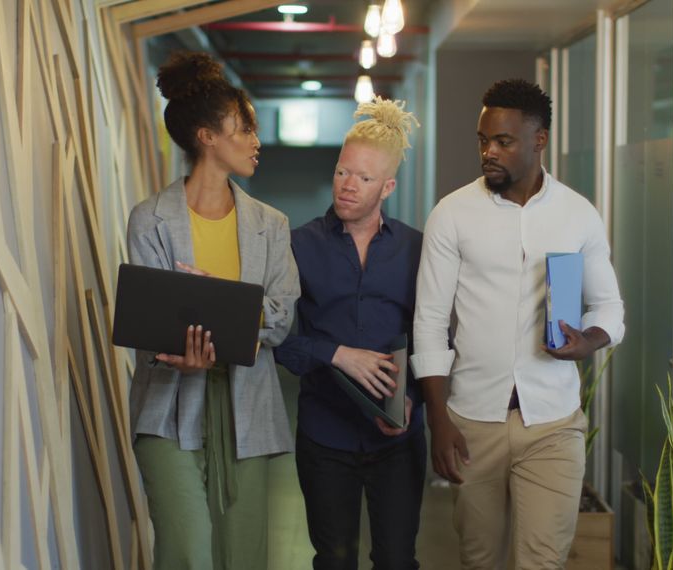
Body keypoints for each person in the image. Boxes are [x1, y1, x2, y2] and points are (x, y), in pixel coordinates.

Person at [410, 78, 625, 569]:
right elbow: (430, 322)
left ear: (538, 140)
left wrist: (586, 341)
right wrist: (438, 420)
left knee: (542, 561)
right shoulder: (452, 214)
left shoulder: (578, 214)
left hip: (552, 421)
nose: (489, 151)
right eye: (484, 140)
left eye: (503, 142)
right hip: (472, 421)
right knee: (479, 558)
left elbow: (610, 309)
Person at [124, 52, 299, 570]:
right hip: (167, 407)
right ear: (206, 136)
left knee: (242, 557)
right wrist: (238, 317)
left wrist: (215, 301)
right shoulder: (149, 220)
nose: (255, 140)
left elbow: (282, 315)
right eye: (243, 128)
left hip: (247, 405)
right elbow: (149, 321)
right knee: (189, 553)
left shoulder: (272, 224)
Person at [274, 97, 425, 570]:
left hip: (397, 438)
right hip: (325, 434)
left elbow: (433, 335)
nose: (348, 186)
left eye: (363, 178)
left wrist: (412, 397)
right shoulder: (297, 244)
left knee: (398, 561)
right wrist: (337, 353)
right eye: (343, 172)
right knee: (334, 561)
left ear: (388, 186)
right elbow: (275, 337)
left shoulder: (416, 247)